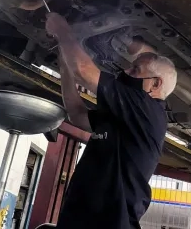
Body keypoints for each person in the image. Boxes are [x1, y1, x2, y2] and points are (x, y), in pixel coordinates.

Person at [44, 12, 177, 229]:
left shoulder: (148, 109)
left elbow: (84, 71)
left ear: (155, 85)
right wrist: (65, 69)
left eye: (136, 70)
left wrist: (62, 30)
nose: (126, 71)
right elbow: (77, 114)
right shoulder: (126, 117)